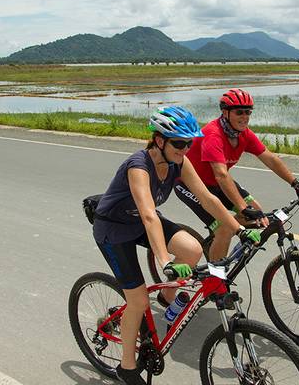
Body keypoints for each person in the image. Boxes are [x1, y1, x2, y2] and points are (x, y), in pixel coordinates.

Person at [92, 106, 259, 385]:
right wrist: (164, 262)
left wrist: (239, 230)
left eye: (189, 143)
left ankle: (169, 301)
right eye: (179, 143)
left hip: (140, 223)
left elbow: (207, 199)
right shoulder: (138, 166)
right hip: (114, 230)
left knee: (193, 249)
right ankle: (127, 367)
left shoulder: (178, 162)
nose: (185, 149)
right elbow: (148, 214)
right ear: (159, 141)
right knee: (137, 300)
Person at [174, 88, 299, 261]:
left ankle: (227, 254)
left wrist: (296, 183)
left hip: (217, 183)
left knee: (257, 212)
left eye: (248, 112)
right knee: (225, 228)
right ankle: (214, 281)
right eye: (239, 112)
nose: (245, 116)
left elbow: (270, 159)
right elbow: (221, 174)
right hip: (191, 185)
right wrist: (242, 208)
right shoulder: (213, 135)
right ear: (225, 112)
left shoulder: (244, 134)